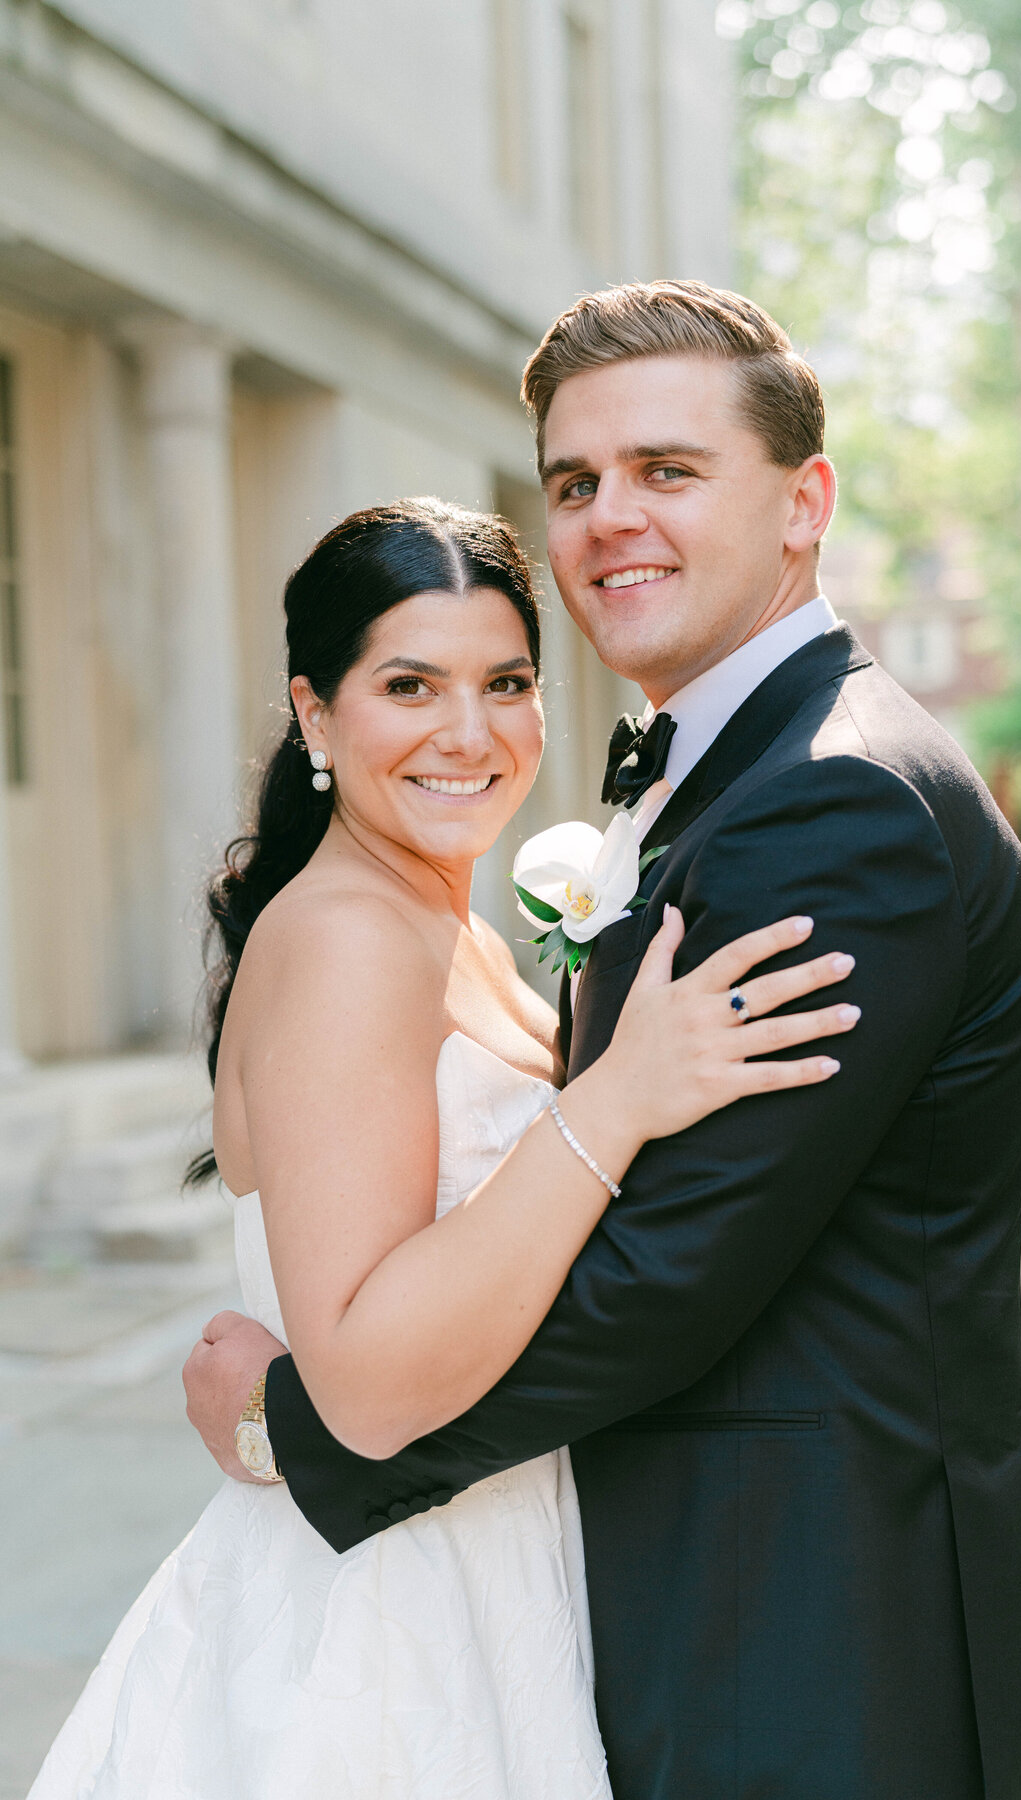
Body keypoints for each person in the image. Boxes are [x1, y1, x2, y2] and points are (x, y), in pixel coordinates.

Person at [185, 283, 1021, 1800]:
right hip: (671, 1608)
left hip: (798, 1627)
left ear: (805, 503)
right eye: (575, 484)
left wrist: (301, 1436)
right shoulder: (740, 773)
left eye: (668, 471)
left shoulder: (833, 800)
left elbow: (663, 1273)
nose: (611, 519)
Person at [28, 497, 858, 1800]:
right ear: (315, 714)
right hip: (380, 1625)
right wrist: (617, 1097)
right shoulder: (348, 938)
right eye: (410, 685)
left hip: (486, 1558)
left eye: (507, 682)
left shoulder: (449, 929)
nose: (470, 734)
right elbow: (358, 1380)